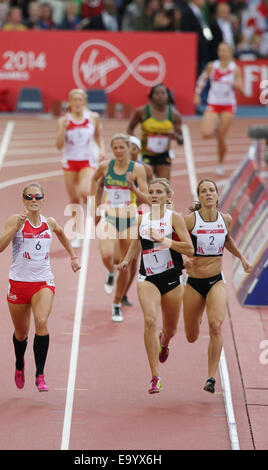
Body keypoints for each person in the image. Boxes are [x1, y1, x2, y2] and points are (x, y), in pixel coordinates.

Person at [0, 182, 81, 392]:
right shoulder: (15, 221)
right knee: (22, 333)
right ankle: (19, 363)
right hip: (18, 283)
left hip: (43, 282)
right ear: (23, 200)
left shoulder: (49, 222)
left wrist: (73, 256)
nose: (34, 201)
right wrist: (15, 228)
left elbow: (61, 233)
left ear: (43, 200)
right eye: (29, 197)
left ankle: (40, 374)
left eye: (37, 197)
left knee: (41, 321)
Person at [118, 178, 194, 393]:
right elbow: (137, 242)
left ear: (168, 196)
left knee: (170, 328)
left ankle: (165, 341)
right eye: (151, 191)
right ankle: (155, 376)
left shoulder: (175, 218)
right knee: (150, 320)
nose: (154, 195)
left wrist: (164, 239)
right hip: (147, 278)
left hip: (171, 278)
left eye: (159, 191)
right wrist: (126, 259)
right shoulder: (143, 218)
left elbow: (189, 249)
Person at [183, 178, 253, 394]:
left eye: (211, 190)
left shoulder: (226, 219)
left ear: (217, 195)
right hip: (194, 283)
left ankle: (211, 377)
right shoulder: (190, 221)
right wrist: (182, 259)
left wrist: (241, 257)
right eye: (203, 191)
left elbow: (227, 239)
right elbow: (177, 243)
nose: (208, 194)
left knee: (216, 325)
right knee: (191, 336)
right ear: (199, 197)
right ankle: (196, 314)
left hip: (216, 281)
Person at [91, 133, 149, 322]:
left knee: (125, 265)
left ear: (129, 149)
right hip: (109, 217)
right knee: (107, 255)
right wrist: (95, 208)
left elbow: (147, 198)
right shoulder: (105, 167)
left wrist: (133, 188)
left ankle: (116, 303)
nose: (118, 151)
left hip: (130, 220)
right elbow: (95, 182)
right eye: (114, 148)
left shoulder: (138, 169)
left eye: (121, 147)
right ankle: (110, 272)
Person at [56, 88, 105, 247]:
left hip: (87, 160)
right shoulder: (64, 120)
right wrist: (63, 128)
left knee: (84, 191)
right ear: (70, 102)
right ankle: (78, 232)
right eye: (74, 100)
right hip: (70, 161)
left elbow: (98, 136)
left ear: (84, 102)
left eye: (80, 100)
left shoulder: (93, 117)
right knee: (74, 199)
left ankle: (97, 209)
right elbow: (59, 146)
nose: (77, 103)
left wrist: (102, 150)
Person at [194, 42, 244, 177]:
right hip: (213, 102)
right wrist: (197, 94)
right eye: (221, 50)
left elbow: (241, 88)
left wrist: (238, 86)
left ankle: (220, 163)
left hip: (228, 105)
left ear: (230, 53)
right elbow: (202, 80)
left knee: (222, 138)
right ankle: (215, 126)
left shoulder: (235, 68)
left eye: (225, 51)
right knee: (205, 133)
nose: (223, 53)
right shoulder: (212, 66)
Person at [127, 83, 183, 181]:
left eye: (163, 93)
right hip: (146, 154)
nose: (160, 95)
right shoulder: (142, 111)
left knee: (164, 185)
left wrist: (175, 136)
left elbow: (181, 140)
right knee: (147, 185)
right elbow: (130, 129)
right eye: (157, 93)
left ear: (168, 96)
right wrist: (134, 144)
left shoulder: (174, 115)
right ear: (151, 96)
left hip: (164, 154)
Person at [121, 135, 152, 307]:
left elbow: (149, 196)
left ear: (137, 150)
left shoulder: (144, 169)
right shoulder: (113, 167)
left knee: (133, 257)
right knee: (114, 253)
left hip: (136, 213)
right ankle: (112, 273)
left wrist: (134, 200)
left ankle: (124, 293)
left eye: (132, 147)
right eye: (126, 146)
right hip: (116, 214)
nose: (127, 150)